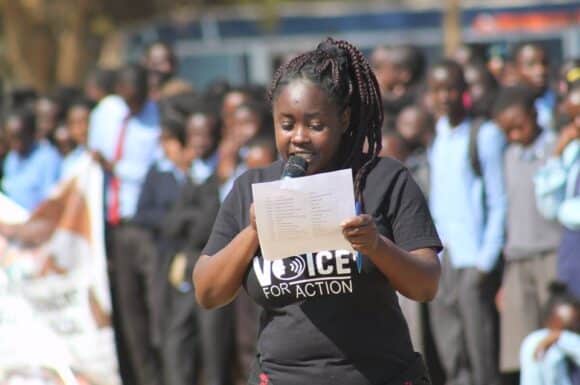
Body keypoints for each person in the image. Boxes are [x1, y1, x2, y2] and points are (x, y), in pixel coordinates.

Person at [194, 37, 442, 385]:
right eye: (287, 124)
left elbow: (426, 285)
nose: (299, 137)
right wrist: (252, 231)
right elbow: (208, 292)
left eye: (315, 125)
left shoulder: (384, 180)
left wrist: (376, 246)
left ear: (342, 119)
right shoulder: (251, 188)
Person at [428, 59, 506, 385]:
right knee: (451, 348)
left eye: (450, 89)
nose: (444, 97)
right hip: (442, 257)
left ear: (463, 92)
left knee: (480, 348)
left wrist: (486, 260)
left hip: (472, 257)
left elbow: (499, 199)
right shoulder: (437, 137)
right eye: (437, 90)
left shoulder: (484, 134)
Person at [88, 63, 161, 385]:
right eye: (127, 97)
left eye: (139, 98)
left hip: (145, 224)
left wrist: (117, 167)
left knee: (157, 310)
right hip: (113, 226)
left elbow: (153, 172)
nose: (133, 104)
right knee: (128, 312)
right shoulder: (105, 113)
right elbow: (91, 161)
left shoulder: (156, 118)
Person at [492, 86, 562, 376]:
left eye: (519, 127)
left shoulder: (556, 148)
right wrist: (505, 278)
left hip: (553, 256)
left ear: (535, 115)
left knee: (557, 343)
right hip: (518, 261)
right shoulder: (508, 156)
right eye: (507, 131)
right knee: (522, 351)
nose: (514, 136)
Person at [535, 86, 580, 300]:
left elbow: (567, 211)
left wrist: (565, 210)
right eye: (573, 117)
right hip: (572, 253)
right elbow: (548, 206)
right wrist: (556, 156)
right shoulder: (572, 151)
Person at [1, 108, 61, 211]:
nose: (15, 142)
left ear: (31, 133)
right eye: (11, 137)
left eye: (19, 136)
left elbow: (51, 200)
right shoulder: (11, 159)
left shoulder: (48, 158)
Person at [520, 282, 580, 385]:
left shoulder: (565, 342)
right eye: (573, 324)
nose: (577, 327)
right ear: (553, 319)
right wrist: (560, 337)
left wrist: (561, 337)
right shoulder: (535, 341)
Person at [513, 42, 556, 131]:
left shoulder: (559, 102)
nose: (541, 70)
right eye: (531, 65)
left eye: (544, 63)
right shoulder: (510, 108)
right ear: (515, 69)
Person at [60, 100, 92, 180]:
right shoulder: (70, 161)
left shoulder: (107, 154)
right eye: (73, 123)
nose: (80, 129)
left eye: (84, 121)